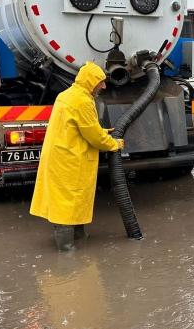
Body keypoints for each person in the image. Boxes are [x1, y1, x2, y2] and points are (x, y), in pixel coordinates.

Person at [30, 62, 124, 251]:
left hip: (60, 156)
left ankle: (77, 244)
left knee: (70, 203)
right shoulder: (82, 101)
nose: (104, 86)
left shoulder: (67, 95)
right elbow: (93, 136)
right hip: (68, 162)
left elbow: (79, 128)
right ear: (91, 81)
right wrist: (114, 143)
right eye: (101, 82)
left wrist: (102, 131)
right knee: (66, 206)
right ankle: (67, 256)